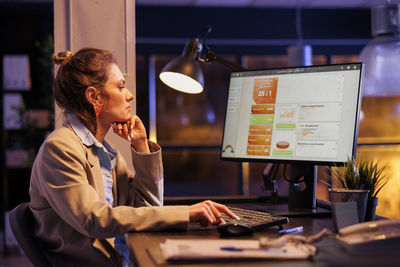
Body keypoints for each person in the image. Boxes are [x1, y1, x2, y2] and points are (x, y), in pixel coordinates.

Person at [29, 48, 238, 267]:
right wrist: (185, 213)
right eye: (120, 86)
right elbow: (95, 220)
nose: (129, 95)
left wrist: (141, 145)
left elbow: (147, 207)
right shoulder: (60, 149)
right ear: (94, 96)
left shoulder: (106, 151)